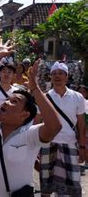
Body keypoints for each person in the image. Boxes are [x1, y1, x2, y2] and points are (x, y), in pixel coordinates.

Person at [0, 40, 62, 196]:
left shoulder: (30, 135)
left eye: (14, 102)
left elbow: (54, 127)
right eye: (7, 99)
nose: (6, 102)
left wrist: (35, 89)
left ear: (25, 114)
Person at [39, 61, 86, 197]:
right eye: (54, 73)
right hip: (48, 143)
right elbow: (37, 122)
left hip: (70, 143)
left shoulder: (78, 97)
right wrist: (36, 146)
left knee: (73, 182)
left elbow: (81, 125)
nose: (57, 76)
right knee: (46, 183)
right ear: (50, 77)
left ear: (67, 76)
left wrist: (82, 146)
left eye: (61, 73)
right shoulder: (44, 97)